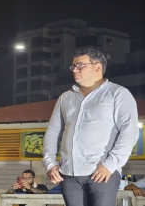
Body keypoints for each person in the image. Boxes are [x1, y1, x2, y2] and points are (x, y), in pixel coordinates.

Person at [42, 48, 139, 206]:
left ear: (98, 67)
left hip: (101, 173)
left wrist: (109, 165)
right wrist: (50, 163)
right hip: (69, 174)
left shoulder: (117, 94)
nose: (75, 70)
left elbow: (130, 131)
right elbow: (52, 132)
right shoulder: (66, 98)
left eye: (80, 65)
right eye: (73, 66)